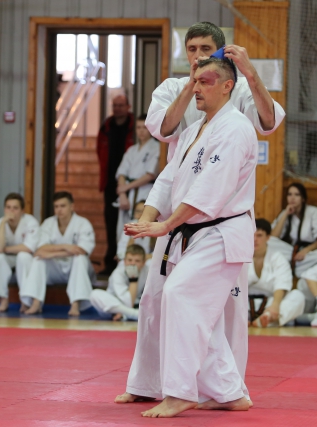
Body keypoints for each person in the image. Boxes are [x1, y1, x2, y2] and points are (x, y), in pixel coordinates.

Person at [117, 21, 286, 409]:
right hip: (180, 223)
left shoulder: (236, 101)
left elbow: (269, 123)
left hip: (216, 224)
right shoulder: (188, 107)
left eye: (206, 50)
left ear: (223, 58)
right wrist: (151, 218)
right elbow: (167, 156)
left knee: (209, 306)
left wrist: (249, 74)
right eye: (191, 50)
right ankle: (181, 386)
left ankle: (219, 390)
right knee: (160, 299)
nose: (197, 58)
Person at [20, 191, 95, 316]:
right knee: (39, 258)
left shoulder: (83, 223)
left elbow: (81, 250)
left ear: (72, 206)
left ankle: (75, 304)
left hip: (76, 268)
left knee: (80, 258)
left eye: (63, 206)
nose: (59, 210)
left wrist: (52, 253)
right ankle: (36, 302)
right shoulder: (48, 223)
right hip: (56, 269)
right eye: (56, 206)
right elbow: (40, 250)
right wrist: (66, 247)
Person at [97, 95, 135, 275]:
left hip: (131, 183)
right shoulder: (106, 126)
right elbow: (100, 151)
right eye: (115, 105)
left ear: (128, 106)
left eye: (121, 105)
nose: (118, 108)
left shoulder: (133, 127)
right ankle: (110, 262)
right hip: (111, 183)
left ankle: (128, 261)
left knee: (129, 224)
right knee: (111, 224)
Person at [0, 193, 40, 313]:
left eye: (15, 208)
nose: (11, 211)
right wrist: (3, 223)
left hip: (27, 259)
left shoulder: (30, 222)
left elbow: (28, 248)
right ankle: (3, 299)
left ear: (22, 211)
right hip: (8, 260)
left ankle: (26, 301)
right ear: (4, 209)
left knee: (23, 256)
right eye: (8, 207)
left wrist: (5, 249)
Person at [249, 218, 304, 327]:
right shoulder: (240, 257)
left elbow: (282, 283)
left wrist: (275, 305)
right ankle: (240, 320)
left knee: (298, 296)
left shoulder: (278, 258)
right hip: (245, 305)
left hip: (270, 304)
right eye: (252, 235)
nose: (255, 239)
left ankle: (268, 318)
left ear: (268, 237)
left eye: (259, 235)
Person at [270, 183, 317, 278]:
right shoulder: (285, 212)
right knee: (269, 243)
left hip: (308, 252)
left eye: (296, 195)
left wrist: (305, 251)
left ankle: (290, 269)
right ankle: (298, 269)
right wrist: (285, 214)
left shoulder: (314, 212)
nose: (292, 198)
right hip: (290, 252)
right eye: (289, 194)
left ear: (303, 198)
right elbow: (273, 237)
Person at [115, 113, 160, 236]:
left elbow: (150, 175)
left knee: (141, 223)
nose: (141, 131)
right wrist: (122, 194)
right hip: (128, 193)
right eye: (138, 127)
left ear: (150, 129)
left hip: (145, 190)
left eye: (144, 127)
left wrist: (126, 187)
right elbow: (122, 173)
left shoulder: (156, 148)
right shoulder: (132, 150)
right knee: (123, 226)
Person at [90, 244, 148, 321]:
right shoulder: (117, 273)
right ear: (124, 261)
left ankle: (125, 315)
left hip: (137, 305)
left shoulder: (148, 271)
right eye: (130, 260)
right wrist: (133, 279)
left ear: (143, 263)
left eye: (137, 261)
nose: (132, 263)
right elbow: (128, 302)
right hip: (115, 306)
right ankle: (135, 314)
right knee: (94, 295)